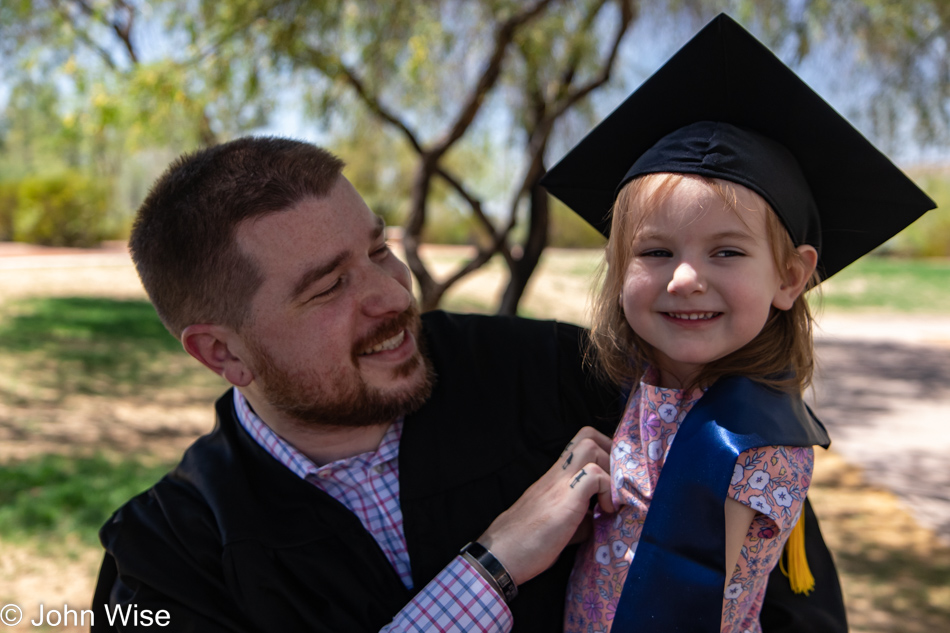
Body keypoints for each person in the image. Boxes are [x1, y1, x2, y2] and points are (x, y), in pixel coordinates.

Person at [93, 133, 848, 630]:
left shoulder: (557, 376)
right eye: (328, 288)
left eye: (380, 249)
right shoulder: (164, 561)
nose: (393, 295)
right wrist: (492, 565)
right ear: (222, 354)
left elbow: (779, 596)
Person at [540, 13, 936, 633]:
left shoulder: (746, 441)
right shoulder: (656, 387)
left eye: (726, 252)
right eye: (655, 251)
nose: (684, 279)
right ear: (618, 271)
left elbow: (679, 607)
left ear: (789, 277)